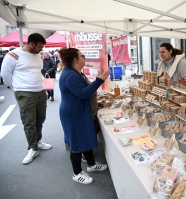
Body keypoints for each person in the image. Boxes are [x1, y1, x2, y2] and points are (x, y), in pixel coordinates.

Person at [58, 47, 110, 184]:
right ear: (75, 59)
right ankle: (76, 173)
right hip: (74, 113)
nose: (84, 58)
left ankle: (91, 164)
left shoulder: (75, 72)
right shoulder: (70, 74)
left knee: (85, 137)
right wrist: (99, 81)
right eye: (82, 56)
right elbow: (83, 93)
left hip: (79, 111)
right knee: (77, 143)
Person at [0, 33, 52, 164]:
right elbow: (5, 74)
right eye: (40, 46)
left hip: (40, 91)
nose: (41, 49)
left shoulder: (38, 55)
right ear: (31, 44)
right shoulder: (13, 55)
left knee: (40, 118)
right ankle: (32, 148)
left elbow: (37, 71)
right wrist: (17, 87)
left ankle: (38, 141)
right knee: (29, 122)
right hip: (25, 93)